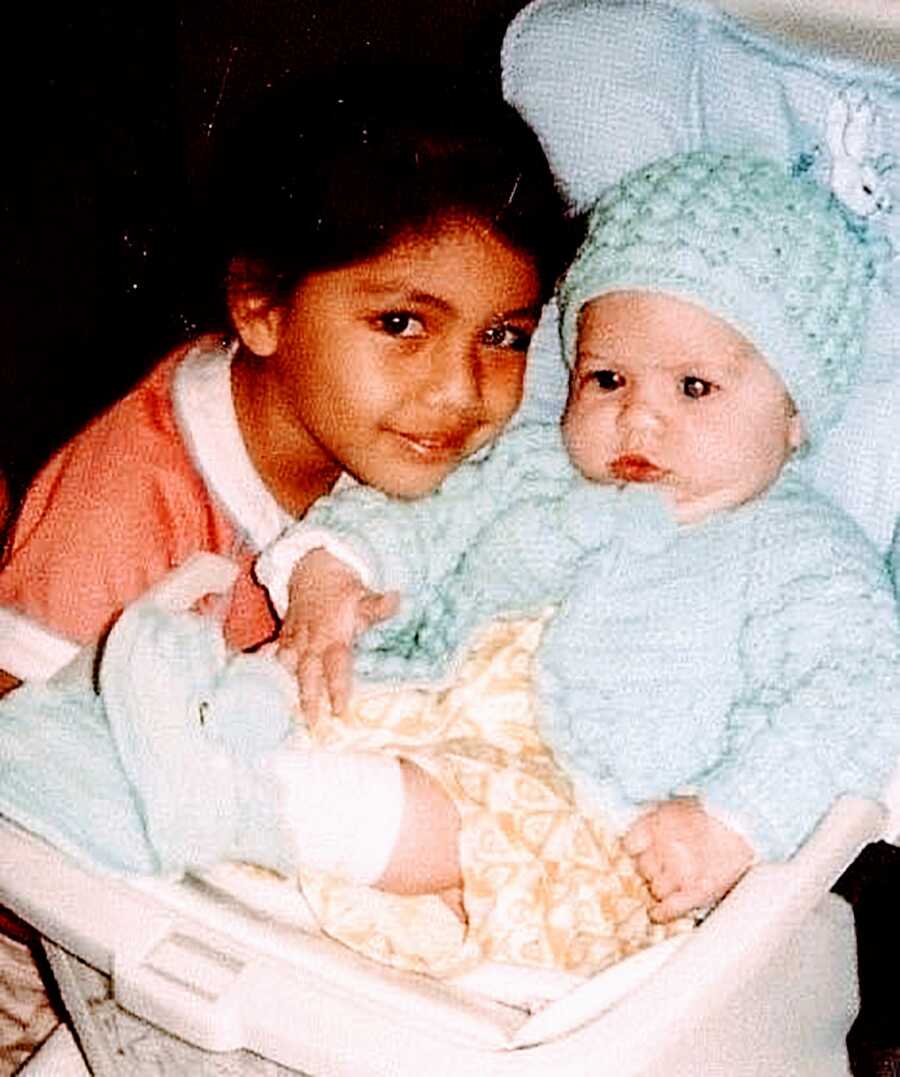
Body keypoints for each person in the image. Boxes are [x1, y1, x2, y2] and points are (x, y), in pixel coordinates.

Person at [0, 65, 572, 1066]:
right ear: (260, 307)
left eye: (504, 336)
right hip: (57, 942)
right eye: (403, 323)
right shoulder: (122, 511)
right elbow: (22, 792)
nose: (462, 389)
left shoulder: (418, 447)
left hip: (280, 884)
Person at [252, 150, 900, 924]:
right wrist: (336, 570)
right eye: (607, 379)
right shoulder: (533, 463)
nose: (638, 417)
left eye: (694, 387)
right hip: (426, 712)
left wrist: (731, 817)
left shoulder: (805, 557)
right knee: (283, 692)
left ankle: (297, 809)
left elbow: (856, 694)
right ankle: (221, 763)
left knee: (464, 823)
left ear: (795, 416)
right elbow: (417, 511)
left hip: (597, 817)